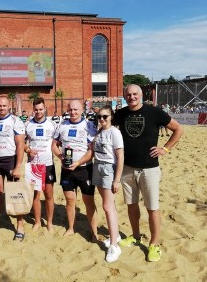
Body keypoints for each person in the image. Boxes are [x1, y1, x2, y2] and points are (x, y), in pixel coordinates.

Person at [114, 84, 183, 262]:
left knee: (152, 207)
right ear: (124, 96)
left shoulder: (154, 112)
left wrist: (165, 149)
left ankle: (154, 243)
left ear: (141, 94)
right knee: (131, 205)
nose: (132, 97)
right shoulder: (120, 114)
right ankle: (135, 235)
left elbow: (178, 129)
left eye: (135, 94)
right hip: (127, 168)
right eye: (128, 94)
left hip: (149, 168)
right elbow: (106, 126)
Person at [52, 100, 98, 240]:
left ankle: (94, 231)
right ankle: (71, 228)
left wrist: (78, 162)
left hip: (85, 169)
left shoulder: (88, 126)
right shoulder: (62, 125)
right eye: (70, 109)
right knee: (70, 200)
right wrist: (60, 157)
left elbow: (92, 151)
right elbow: (54, 144)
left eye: (76, 109)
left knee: (88, 201)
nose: (73, 112)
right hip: (67, 169)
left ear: (82, 110)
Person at [0, 95, 26, 240]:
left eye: (4, 106)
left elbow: (20, 145)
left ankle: (20, 226)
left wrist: (18, 166)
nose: (2, 108)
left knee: (15, 194)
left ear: (9, 106)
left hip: (10, 160)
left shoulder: (15, 121)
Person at [91, 105, 124, 263]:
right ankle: (115, 234)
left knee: (107, 206)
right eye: (99, 117)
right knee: (109, 206)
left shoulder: (114, 132)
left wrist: (117, 179)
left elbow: (120, 156)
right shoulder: (99, 132)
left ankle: (114, 246)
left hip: (109, 169)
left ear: (111, 117)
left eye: (105, 116)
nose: (102, 119)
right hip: (97, 166)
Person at [25, 97, 57, 232]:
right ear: (33, 110)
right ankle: (37, 221)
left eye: (41, 109)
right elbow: (23, 144)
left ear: (45, 109)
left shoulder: (52, 125)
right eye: (36, 109)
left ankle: (49, 222)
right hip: (33, 165)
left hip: (48, 163)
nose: (38, 112)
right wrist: (28, 150)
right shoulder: (28, 125)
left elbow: (57, 143)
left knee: (49, 194)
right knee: (35, 195)